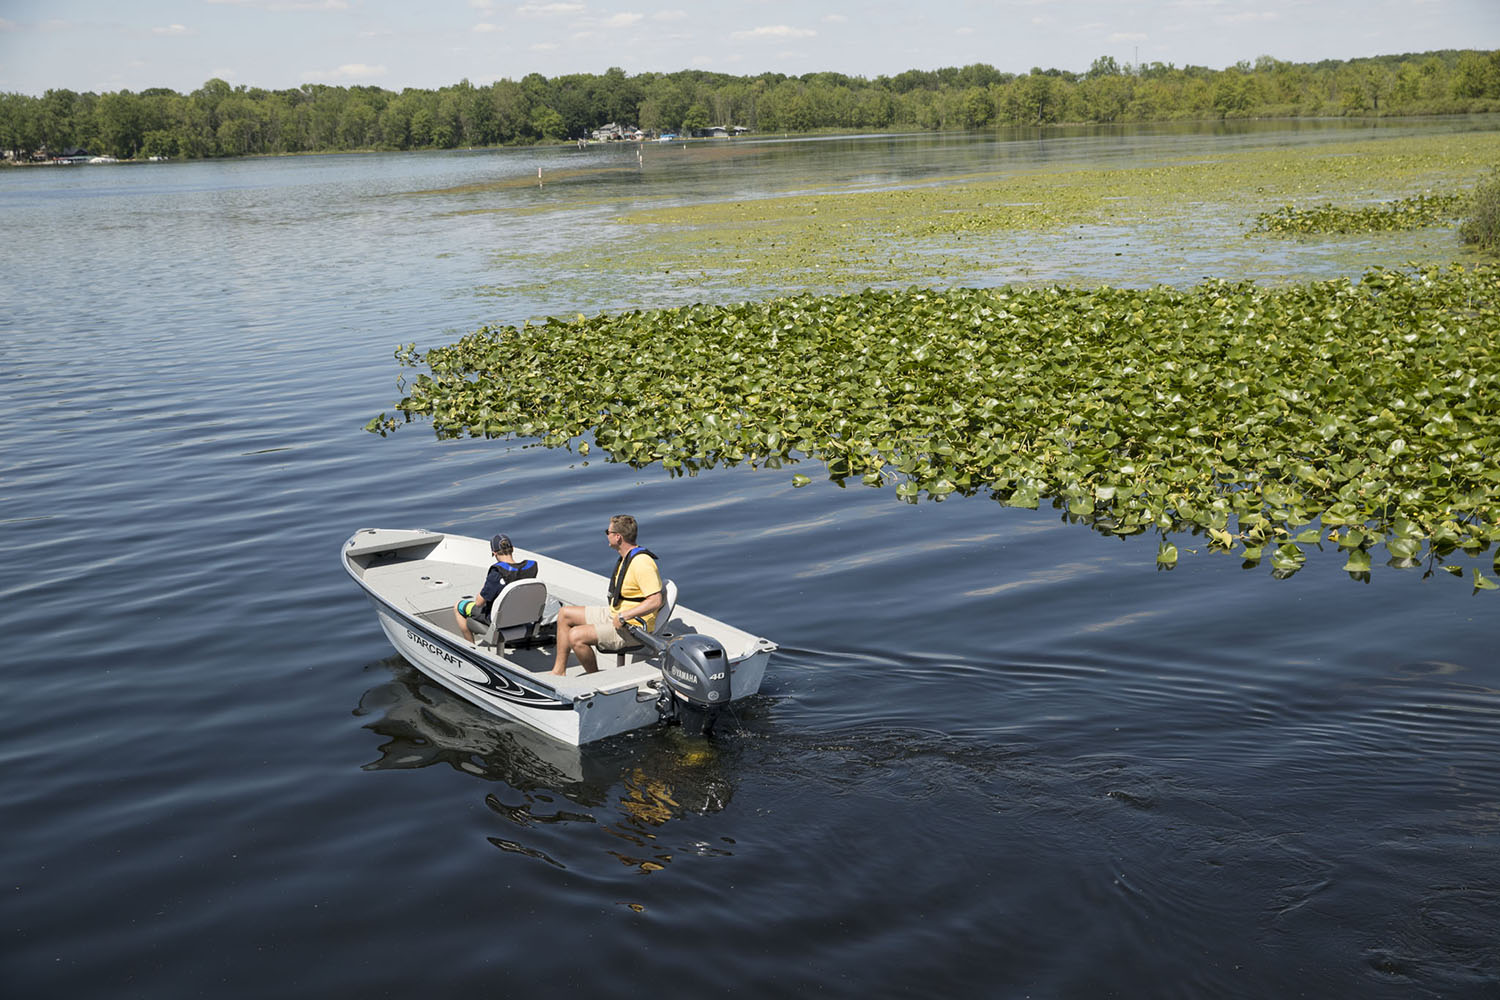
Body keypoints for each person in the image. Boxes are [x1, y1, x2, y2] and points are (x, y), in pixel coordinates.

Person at [551, 514, 663, 676]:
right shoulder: (626, 558)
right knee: (565, 614)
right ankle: (559, 671)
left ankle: (595, 677)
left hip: (632, 627)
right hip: (616, 614)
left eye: (608, 532)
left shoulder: (642, 563)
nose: (606, 535)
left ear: (618, 537)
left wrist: (624, 616)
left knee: (576, 636)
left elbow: (655, 600)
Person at [454, 534, 539, 644]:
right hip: (523, 617)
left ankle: (470, 647)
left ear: (494, 553)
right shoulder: (530, 568)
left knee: (458, 606)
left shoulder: (497, 573)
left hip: (497, 619)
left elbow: (479, 602)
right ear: (512, 549)